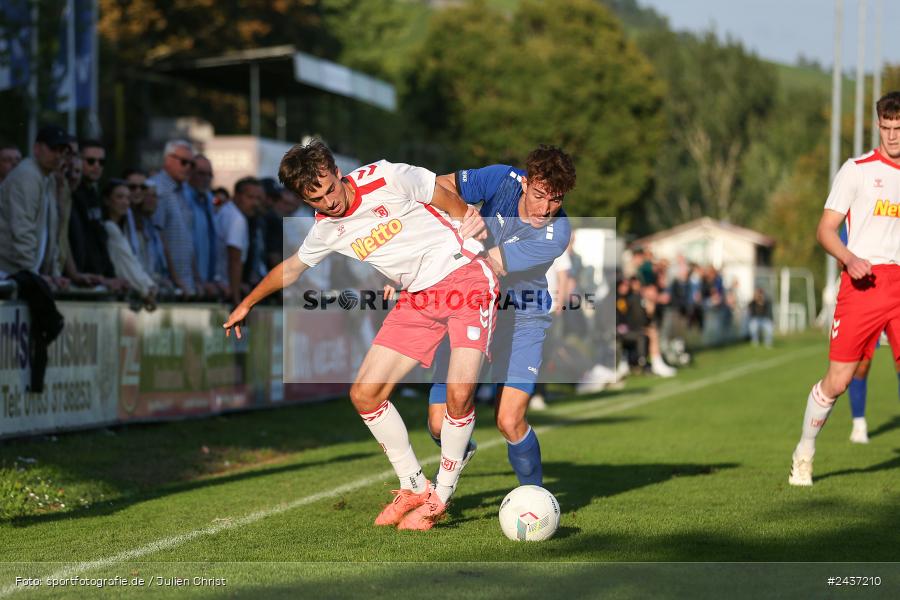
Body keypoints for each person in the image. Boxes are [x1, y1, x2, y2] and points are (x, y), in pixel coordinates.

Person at [223, 140, 495, 531]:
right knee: (365, 394)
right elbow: (292, 268)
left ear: (337, 172)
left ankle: (441, 496)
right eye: (315, 199)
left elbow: (439, 190)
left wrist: (470, 221)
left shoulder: (385, 175)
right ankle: (414, 485)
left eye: (329, 189)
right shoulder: (326, 229)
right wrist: (247, 303)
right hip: (417, 297)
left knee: (459, 393)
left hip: (465, 277)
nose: (329, 202)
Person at [425, 145, 576, 488]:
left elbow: (485, 265)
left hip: (520, 319)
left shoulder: (556, 233)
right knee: (437, 424)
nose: (546, 209)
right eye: (539, 195)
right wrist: (462, 213)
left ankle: (535, 497)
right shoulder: (501, 179)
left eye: (556, 200)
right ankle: (460, 451)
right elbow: (435, 186)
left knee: (509, 420)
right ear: (525, 183)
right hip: (470, 309)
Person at [789, 91, 900, 486]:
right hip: (863, 284)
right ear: (878, 126)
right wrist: (849, 258)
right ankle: (804, 452)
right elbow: (825, 230)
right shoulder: (857, 170)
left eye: (899, 128)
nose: (892, 136)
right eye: (886, 128)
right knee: (838, 381)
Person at [0, 125, 74, 283]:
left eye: (62, 151)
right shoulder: (27, 175)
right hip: (9, 274)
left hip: (24, 273)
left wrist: (53, 275)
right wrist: (33, 276)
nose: (58, 155)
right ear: (36, 148)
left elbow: (52, 233)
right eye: (53, 149)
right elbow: (22, 230)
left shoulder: (47, 177)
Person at [149, 140, 198, 296]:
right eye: (184, 162)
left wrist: (196, 279)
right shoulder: (157, 189)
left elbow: (188, 240)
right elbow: (159, 237)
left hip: (186, 283)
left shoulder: (186, 191)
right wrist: (176, 280)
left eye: (192, 164)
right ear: (168, 160)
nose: (188, 167)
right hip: (168, 285)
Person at [102, 180, 157, 306]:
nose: (125, 202)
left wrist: (148, 285)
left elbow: (132, 261)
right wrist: (146, 288)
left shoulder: (122, 228)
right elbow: (127, 262)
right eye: (119, 197)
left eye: (127, 198)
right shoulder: (109, 227)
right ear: (107, 200)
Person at [216, 177, 263, 308]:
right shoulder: (237, 219)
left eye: (258, 198)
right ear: (237, 196)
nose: (255, 203)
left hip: (222, 285)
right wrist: (236, 300)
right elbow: (235, 260)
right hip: (225, 290)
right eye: (250, 197)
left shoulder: (226, 211)